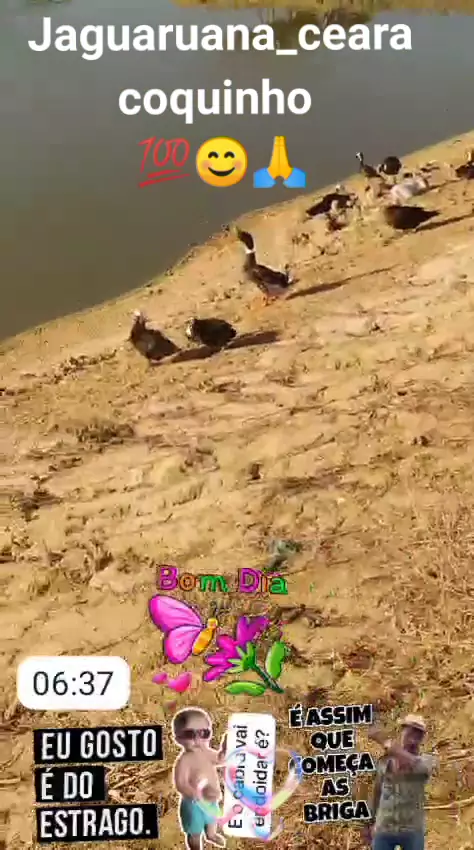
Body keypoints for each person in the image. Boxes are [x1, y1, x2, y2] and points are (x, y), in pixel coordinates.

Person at [365, 714, 438, 850]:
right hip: (384, 827)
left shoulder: (427, 761)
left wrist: (385, 741)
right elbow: (377, 792)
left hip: (412, 829)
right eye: (410, 732)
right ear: (401, 731)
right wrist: (370, 822)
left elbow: (413, 763)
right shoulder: (385, 761)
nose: (413, 738)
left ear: (422, 738)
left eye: (418, 735)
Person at [172, 707, 227, 850]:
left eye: (203, 733)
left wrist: (225, 748)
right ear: (178, 739)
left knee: (212, 821)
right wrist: (196, 794)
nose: (197, 739)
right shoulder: (184, 760)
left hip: (211, 800)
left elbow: (220, 759)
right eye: (190, 734)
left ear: (210, 734)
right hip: (194, 804)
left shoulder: (207, 753)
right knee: (194, 830)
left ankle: (211, 835)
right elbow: (181, 784)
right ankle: (195, 846)